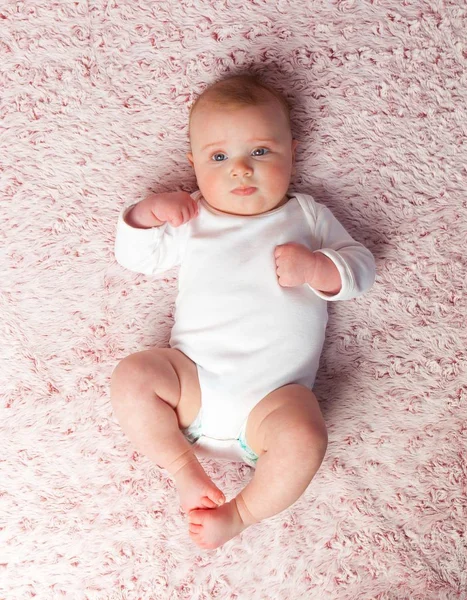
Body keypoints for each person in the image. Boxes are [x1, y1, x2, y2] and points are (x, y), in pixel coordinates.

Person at [111, 73, 376, 550]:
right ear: (194, 166)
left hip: (272, 405)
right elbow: (138, 258)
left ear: (292, 152)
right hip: (192, 385)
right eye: (219, 157)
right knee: (133, 375)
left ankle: (241, 513)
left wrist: (319, 267)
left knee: (306, 438)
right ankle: (181, 468)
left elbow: (361, 268)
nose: (240, 170)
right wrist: (147, 215)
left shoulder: (308, 217)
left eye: (260, 152)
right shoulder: (193, 215)